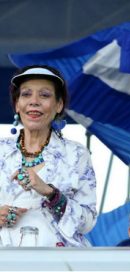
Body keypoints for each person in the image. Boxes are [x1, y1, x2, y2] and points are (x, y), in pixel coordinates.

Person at [0, 65, 97, 247]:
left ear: (59, 105)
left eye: (44, 95)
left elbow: (88, 222)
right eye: (26, 94)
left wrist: (50, 193)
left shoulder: (76, 154)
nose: (34, 101)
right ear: (16, 105)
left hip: (60, 261)